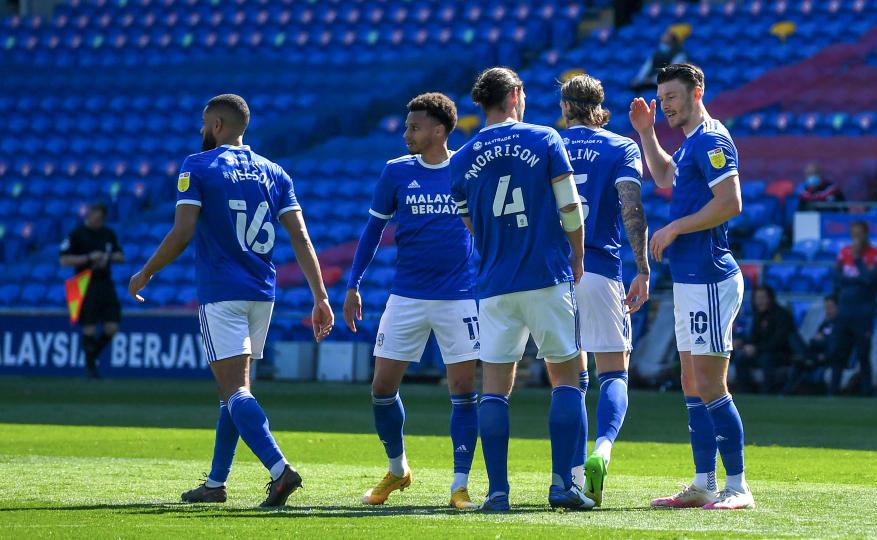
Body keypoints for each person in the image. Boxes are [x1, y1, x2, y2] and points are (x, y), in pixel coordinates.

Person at [127, 94, 335, 507]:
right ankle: (216, 483)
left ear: (217, 125)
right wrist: (320, 297)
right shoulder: (275, 172)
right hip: (262, 294)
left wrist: (146, 271)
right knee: (234, 393)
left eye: (205, 123)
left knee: (235, 391)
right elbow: (301, 237)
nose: (202, 131)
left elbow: (183, 231)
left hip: (222, 292)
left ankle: (280, 470)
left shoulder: (198, 165)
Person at [449, 66, 592, 512]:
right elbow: (569, 204)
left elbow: (469, 221)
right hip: (545, 275)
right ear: (515, 95)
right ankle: (561, 485)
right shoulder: (545, 138)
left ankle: (497, 493)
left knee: (494, 387)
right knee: (567, 377)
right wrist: (578, 253)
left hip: (493, 284)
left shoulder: (462, 157)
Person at [342, 93, 481, 510]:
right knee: (382, 388)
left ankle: (460, 485)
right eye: (406, 127)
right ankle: (398, 469)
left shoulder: (466, 170)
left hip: (459, 297)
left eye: (414, 128)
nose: (407, 134)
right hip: (406, 295)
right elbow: (372, 232)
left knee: (462, 389)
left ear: (439, 131)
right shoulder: (396, 173)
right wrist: (353, 284)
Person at [629, 63, 752, 510]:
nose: (666, 106)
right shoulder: (690, 143)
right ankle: (703, 483)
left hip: (711, 277)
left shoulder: (714, 139)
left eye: (673, 98)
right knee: (690, 382)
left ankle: (737, 486)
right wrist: (646, 132)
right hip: (689, 278)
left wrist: (676, 227)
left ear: (697, 91)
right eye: (662, 100)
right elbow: (664, 178)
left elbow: (731, 202)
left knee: (710, 384)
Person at [556, 73, 649, 506]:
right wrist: (643, 267)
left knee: (570, 380)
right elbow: (631, 206)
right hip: (599, 269)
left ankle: (570, 478)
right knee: (614, 370)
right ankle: (602, 452)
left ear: (564, 107)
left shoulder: (547, 146)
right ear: (599, 106)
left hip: (554, 275)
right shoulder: (621, 146)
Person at [59, 202, 125, 378]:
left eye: (101, 217)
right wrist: (89, 258)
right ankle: (91, 369)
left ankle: (91, 356)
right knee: (89, 327)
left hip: (105, 282)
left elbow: (121, 256)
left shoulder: (108, 234)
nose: (98, 220)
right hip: (83, 282)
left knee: (112, 327)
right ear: (90, 214)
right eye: (96, 216)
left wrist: (107, 257)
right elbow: (64, 260)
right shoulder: (77, 234)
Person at [829, 220, 877, 397]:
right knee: (838, 352)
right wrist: (857, 279)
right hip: (844, 309)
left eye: (859, 233)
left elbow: (870, 279)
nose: (856, 237)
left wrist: (858, 259)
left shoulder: (876, 254)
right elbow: (836, 277)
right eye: (854, 233)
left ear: (866, 234)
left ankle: (866, 392)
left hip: (864, 311)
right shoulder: (844, 252)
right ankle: (833, 391)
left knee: (862, 353)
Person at [734, 285, 795, 395]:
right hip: (761, 352)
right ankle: (745, 392)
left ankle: (767, 393)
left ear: (770, 298)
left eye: (762, 298)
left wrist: (756, 348)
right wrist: (744, 344)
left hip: (780, 353)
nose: (759, 302)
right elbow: (754, 338)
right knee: (741, 357)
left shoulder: (782, 315)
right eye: (757, 298)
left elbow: (778, 342)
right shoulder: (758, 315)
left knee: (767, 359)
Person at [784, 294, 838, 395]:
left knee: (799, 362)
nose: (828, 310)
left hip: (826, 357)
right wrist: (819, 341)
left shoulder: (840, 325)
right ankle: (786, 393)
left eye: (830, 307)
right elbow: (813, 342)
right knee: (792, 337)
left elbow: (835, 345)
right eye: (826, 307)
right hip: (815, 354)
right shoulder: (825, 323)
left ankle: (786, 392)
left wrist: (822, 340)